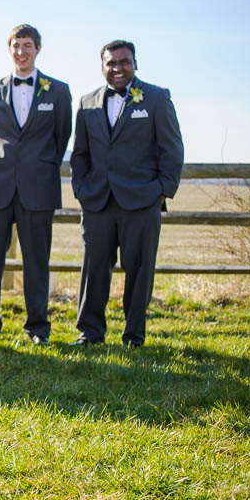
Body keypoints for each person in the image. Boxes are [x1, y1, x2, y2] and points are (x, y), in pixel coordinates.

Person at [70, 40, 184, 347]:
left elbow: (172, 151)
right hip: (98, 202)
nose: (118, 68)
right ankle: (90, 333)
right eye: (111, 63)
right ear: (102, 66)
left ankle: (134, 335)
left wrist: (162, 191)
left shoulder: (156, 98)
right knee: (94, 271)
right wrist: (81, 189)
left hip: (142, 201)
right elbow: (79, 153)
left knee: (139, 270)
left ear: (134, 63)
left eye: (124, 62)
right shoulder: (86, 102)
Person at [0, 24, 72, 345]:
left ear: (37, 49)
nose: (21, 52)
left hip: (38, 188)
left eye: (27, 45)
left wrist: (38, 168)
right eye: (16, 45)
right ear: (10, 49)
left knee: (36, 262)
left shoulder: (58, 91)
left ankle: (38, 328)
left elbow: (61, 139)